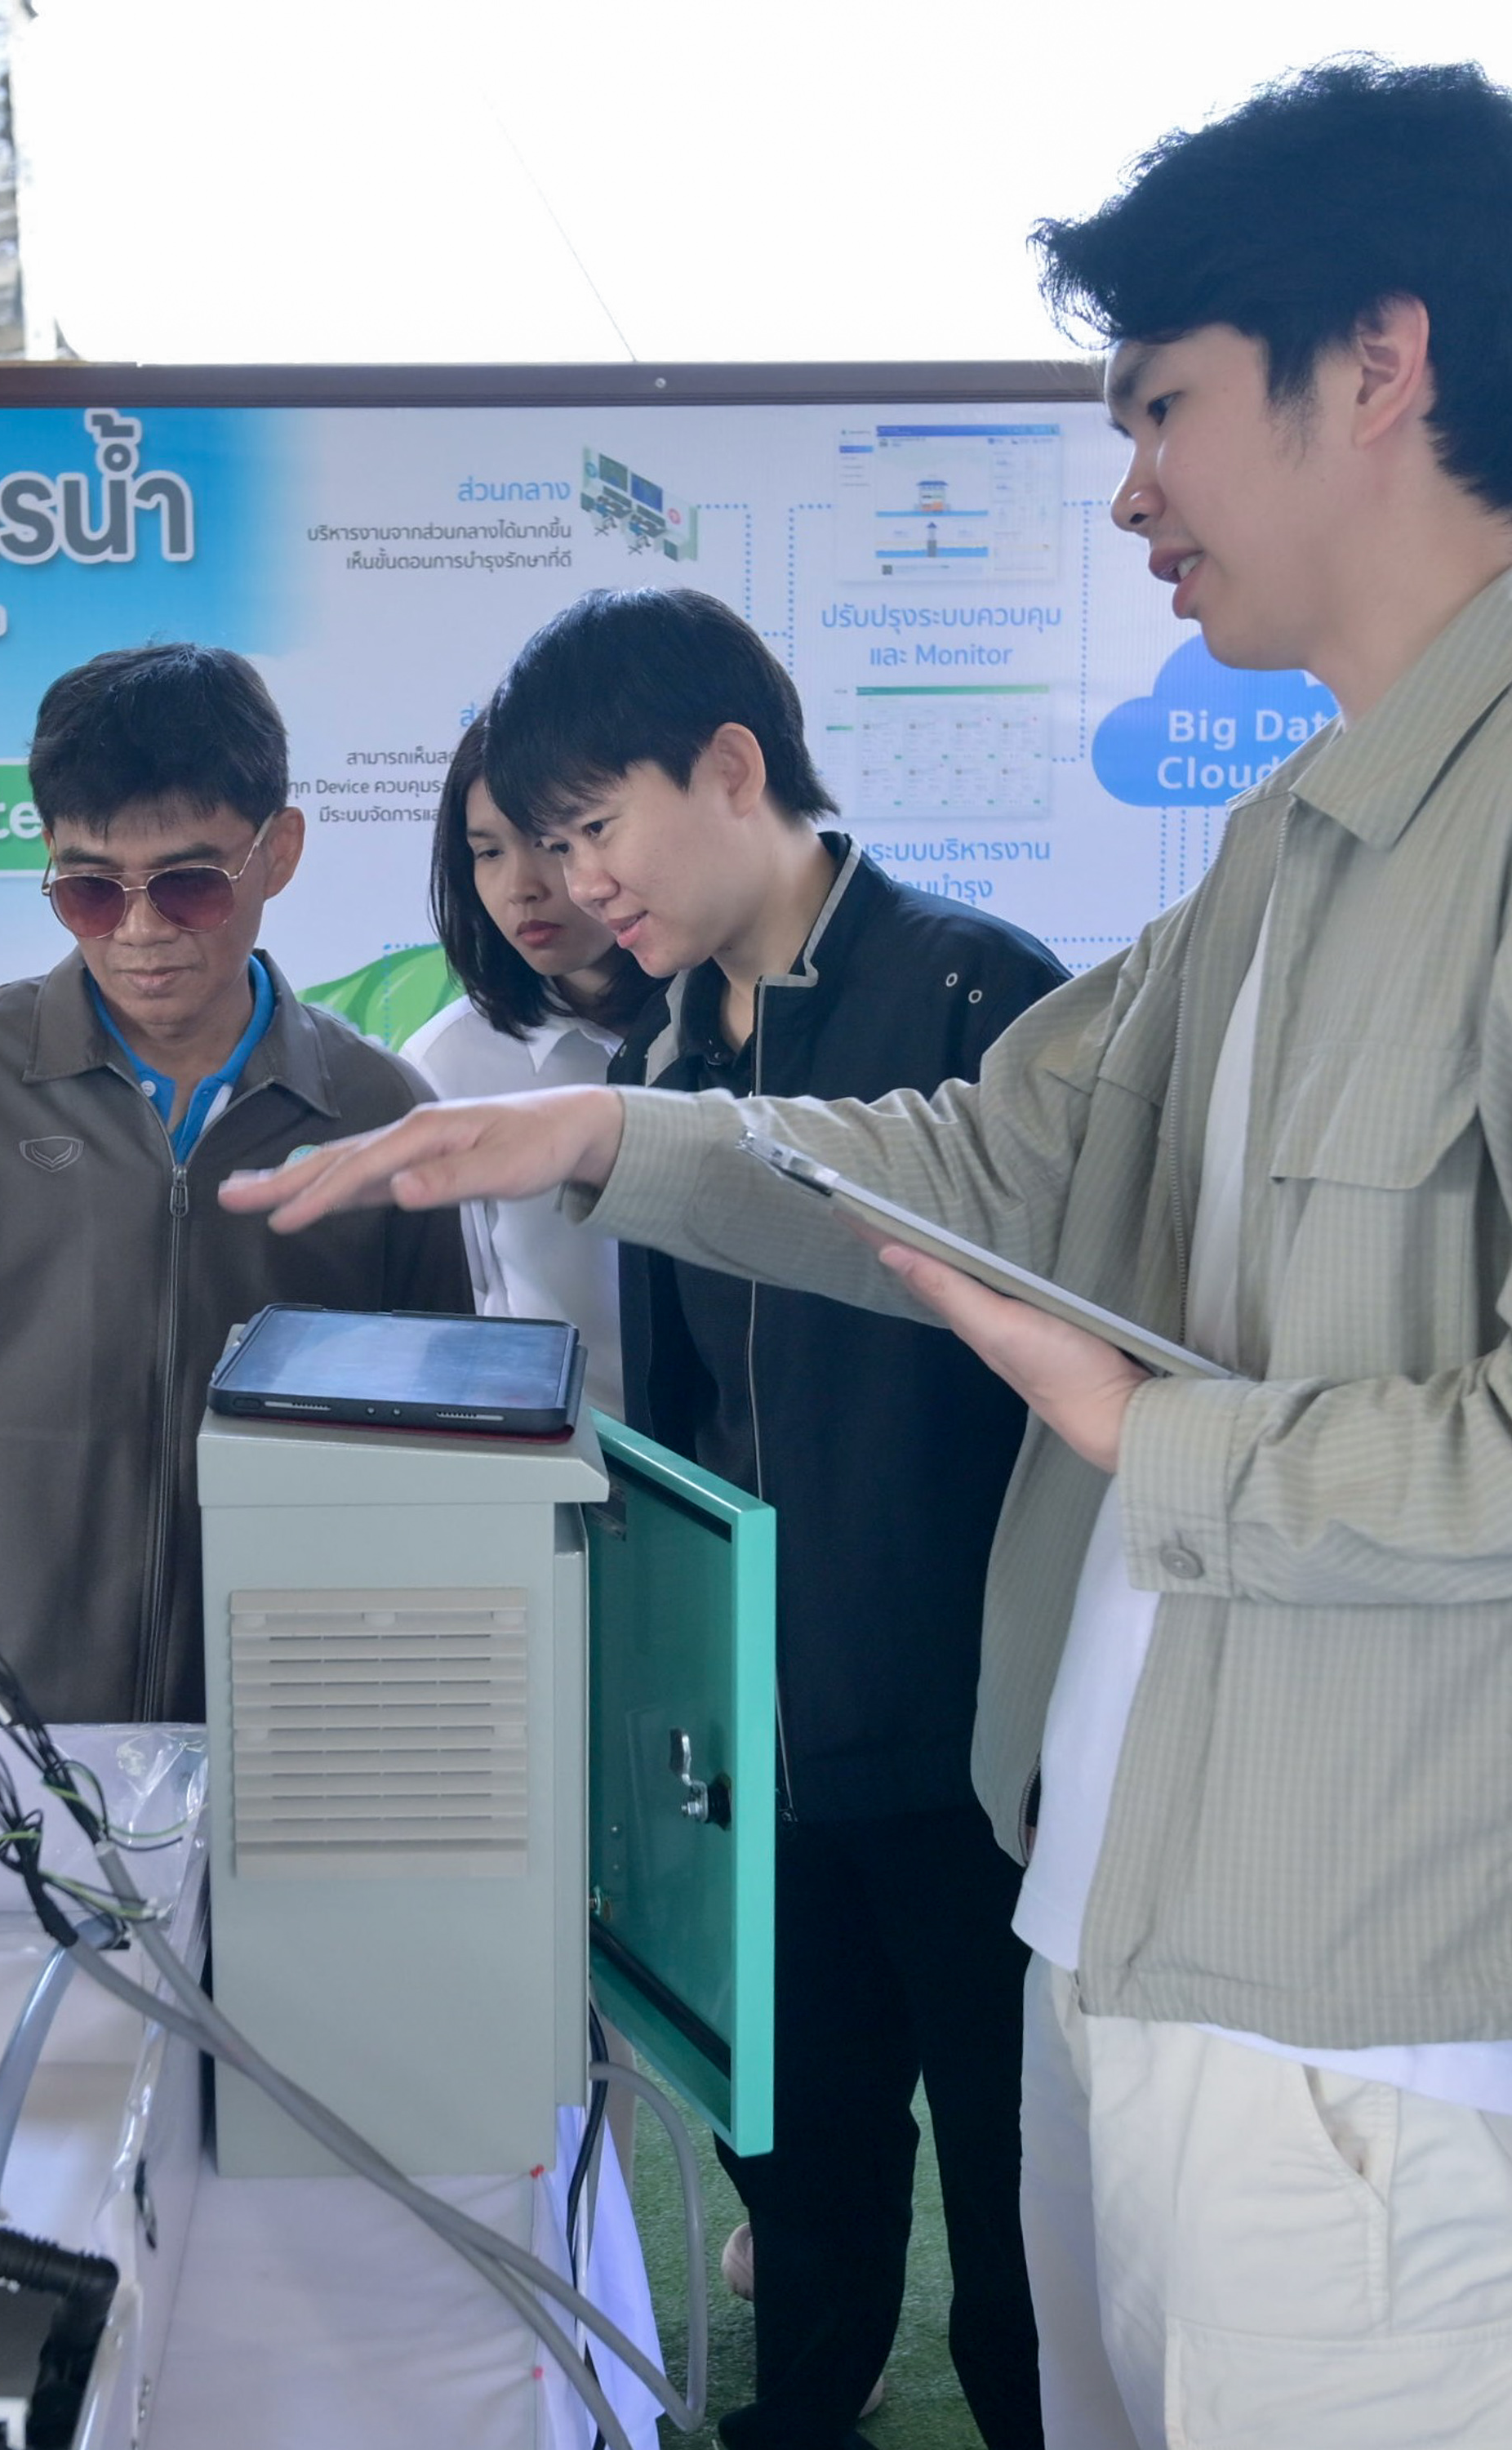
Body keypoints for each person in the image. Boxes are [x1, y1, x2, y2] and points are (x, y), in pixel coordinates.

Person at [224, 59, 1512, 2450]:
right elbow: (989, 1154)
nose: (1130, 489)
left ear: (1377, 367)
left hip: (1378, 1978)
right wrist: (608, 1134)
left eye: (1163, 406)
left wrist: (1157, 1437)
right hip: (1146, 1886)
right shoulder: (1307, 827)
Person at [487, 588, 1064, 2450]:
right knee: (798, 2177)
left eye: (596, 825)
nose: (576, 882)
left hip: (975, 1748)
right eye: (547, 842)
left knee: (1020, 2202)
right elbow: (681, 1417)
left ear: (732, 767)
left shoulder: (982, 997)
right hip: (757, 1744)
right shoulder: (657, 1062)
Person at [0, 641, 469, 1724]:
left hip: (290, 1723)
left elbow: (433, 1466)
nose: (140, 932)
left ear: (279, 852)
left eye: (189, 885)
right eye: (90, 890)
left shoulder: (381, 1114)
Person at [404, 720, 660, 1418]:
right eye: (488, 852)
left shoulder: (735, 1024)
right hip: (563, 1459)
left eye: (551, 843)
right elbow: (462, 1320)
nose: (521, 887)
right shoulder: (446, 1062)